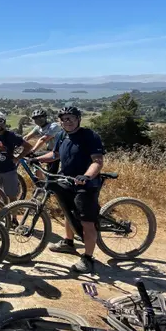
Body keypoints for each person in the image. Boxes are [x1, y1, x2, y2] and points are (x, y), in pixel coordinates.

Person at [30, 106, 104, 274]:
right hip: (66, 180)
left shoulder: (90, 136)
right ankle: (68, 243)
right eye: (63, 119)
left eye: (70, 118)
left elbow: (97, 161)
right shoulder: (62, 135)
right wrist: (37, 158)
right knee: (67, 211)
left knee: (87, 222)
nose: (67, 122)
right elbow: (55, 155)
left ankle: (88, 258)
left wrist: (86, 176)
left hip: (85, 184)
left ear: (78, 119)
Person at [0, 112, 33, 202]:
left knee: (12, 196)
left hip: (9, 170)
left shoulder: (11, 135)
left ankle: (13, 216)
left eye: (0, 121)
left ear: (4, 122)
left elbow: (28, 147)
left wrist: (18, 158)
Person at [24, 109, 62, 173]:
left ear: (45, 117)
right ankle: (39, 178)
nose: (38, 120)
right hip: (50, 151)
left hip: (59, 152)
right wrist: (16, 144)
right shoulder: (38, 127)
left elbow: (43, 139)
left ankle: (48, 180)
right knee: (32, 156)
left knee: (51, 175)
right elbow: (27, 137)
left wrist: (32, 150)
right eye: (36, 118)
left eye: (41, 118)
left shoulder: (53, 126)